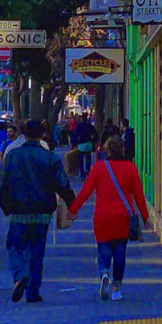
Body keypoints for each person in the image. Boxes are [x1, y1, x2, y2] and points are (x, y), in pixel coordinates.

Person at [0, 119, 75, 303]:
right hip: (42, 212)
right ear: (42, 135)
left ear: (24, 135)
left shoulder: (13, 156)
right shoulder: (50, 158)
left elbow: (4, 183)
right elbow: (62, 184)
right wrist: (72, 204)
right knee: (37, 251)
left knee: (15, 246)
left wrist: (6, 206)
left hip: (19, 211)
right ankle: (33, 292)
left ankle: (19, 275)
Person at [68, 134, 148, 302]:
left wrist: (73, 209)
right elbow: (139, 195)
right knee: (120, 252)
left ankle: (104, 272)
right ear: (123, 149)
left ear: (107, 149)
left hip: (102, 217)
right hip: (123, 217)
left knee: (104, 249)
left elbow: (85, 192)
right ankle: (116, 288)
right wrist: (145, 216)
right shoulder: (131, 168)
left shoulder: (98, 168)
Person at [73, 113, 96, 178]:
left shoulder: (78, 126)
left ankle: (82, 173)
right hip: (88, 144)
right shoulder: (90, 126)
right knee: (88, 158)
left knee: (80, 160)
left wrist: (74, 144)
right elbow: (95, 135)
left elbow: (75, 135)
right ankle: (88, 171)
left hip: (81, 144)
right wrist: (93, 142)